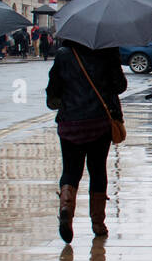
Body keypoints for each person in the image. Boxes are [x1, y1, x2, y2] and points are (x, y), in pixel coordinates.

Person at [46, 40, 127, 241]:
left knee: (70, 171)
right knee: (97, 170)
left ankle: (66, 205)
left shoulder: (64, 54)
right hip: (99, 123)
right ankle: (98, 223)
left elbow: (52, 93)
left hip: (70, 123)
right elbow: (120, 86)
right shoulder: (107, 51)